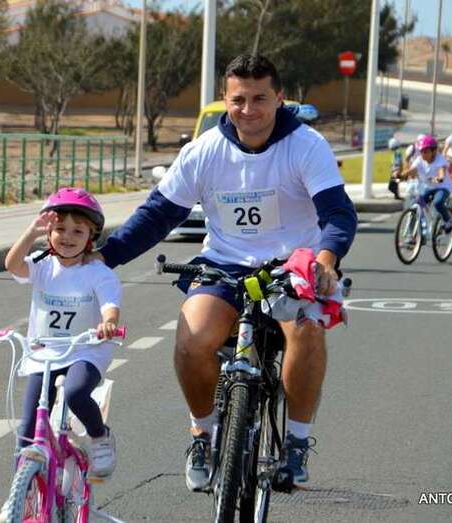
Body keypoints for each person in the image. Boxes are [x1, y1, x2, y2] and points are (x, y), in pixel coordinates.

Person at [89, 54, 357, 491]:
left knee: (307, 330)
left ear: (279, 98)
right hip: (223, 264)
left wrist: (326, 259)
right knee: (192, 341)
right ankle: (204, 434)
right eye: (238, 100)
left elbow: (337, 213)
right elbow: (158, 215)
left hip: (293, 264)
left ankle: (296, 442)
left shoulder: (306, 145)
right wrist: (105, 257)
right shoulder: (205, 150)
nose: (248, 110)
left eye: (259, 99)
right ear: (224, 99)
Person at [4, 187, 122, 478]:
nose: (67, 237)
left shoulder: (98, 272)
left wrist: (108, 322)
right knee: (28, 426)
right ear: (49, 232)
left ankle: (99, 436)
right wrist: (31, 233)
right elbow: (13, 265)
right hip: (44, 352)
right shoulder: (42, 263)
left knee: (75, 392)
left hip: (85, 351)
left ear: (91, 236)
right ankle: (21, 491)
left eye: (77, 231)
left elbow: (110, 305)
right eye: (60, 229)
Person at [400, 135, 452, 232]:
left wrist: (440, 178)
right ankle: (416, 232)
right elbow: (413, 170)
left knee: (437, 202)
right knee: (417, 204)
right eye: (421, 151)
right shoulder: (419, 160)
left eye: (426, 151)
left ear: (433, 151)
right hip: (429, 187)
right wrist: (402, 175)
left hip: (443, 187)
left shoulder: (440, 159)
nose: (423, 154)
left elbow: (441, 170)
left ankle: (447, 221)